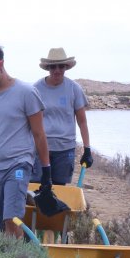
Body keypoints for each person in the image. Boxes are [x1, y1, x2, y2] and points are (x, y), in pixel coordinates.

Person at [0, 44, 54, 237]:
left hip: (18, 165)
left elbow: (39, 134)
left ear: (1, 64)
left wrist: (46, 171)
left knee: (11, 220)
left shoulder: (26, 93)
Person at [32, 47, 93, 185]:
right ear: (48, 68)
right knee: (37, 187)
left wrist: (87, 149)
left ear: (66, 67)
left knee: (60, 188)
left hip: (65, 149)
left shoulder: (74, 88)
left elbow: (82, 122)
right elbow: (29, 121)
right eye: (53, 66)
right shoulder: (36, 89)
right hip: (40, 147)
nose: (57, 70)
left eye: (61, 66)